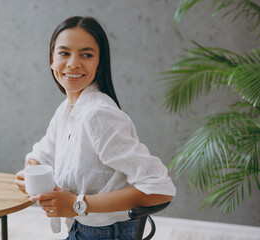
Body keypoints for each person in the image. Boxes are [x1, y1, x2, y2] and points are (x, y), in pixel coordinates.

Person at [15, 16, 176, 240]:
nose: (73, 63)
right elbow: (43, 153)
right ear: (51, 60)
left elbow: (159, 189)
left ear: (99, 63)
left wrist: (78, 204)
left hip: (107, 233)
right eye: (64, 53)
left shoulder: (98, 114)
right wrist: (30, 170)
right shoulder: (67, 109)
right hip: (80, 229)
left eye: (86, 55)